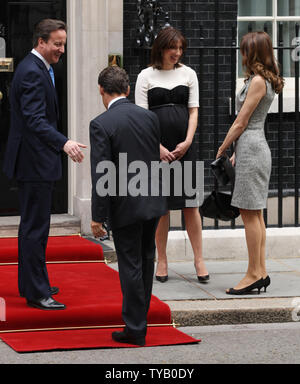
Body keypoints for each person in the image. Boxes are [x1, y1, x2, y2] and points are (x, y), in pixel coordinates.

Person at [3, 19, 87, 310]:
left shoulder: (40, 67)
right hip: (33, 162)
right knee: (35, 228)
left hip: (38, 160)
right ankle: (37, 292)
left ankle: (32, 283)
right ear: (41, 42)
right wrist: (64, 142)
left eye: (63, 43)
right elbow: (34, 119)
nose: (61, 49)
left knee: (35, 226)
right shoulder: (31, 72)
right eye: (57, 43)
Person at [90, 66, 167, 346]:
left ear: (101, 89)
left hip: (125, 205)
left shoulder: (101, 123)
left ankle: (135, 328)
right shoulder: (149, 117)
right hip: (152, 200)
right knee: (147, 260)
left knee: (131, 264)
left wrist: (97, 216)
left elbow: (102, 173)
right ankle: (139, 321)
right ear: (128, 89)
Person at [135, 27, 209, 283]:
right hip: (156, 150)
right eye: (172, 48)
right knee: (161, 207)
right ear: (161, 48)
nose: (177, 53)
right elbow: (141, 117)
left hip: (184, 148)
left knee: (191, 205)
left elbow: (193, 112)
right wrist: (157, 147)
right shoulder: (145, 75)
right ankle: (162, 260)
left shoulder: (189, 74)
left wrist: (188, 141)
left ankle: (199, 259)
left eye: (180, 48)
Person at [216, 31, 284, 295]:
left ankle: (254, 273)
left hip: (253, 147)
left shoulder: (257, 81)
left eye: (245, 50)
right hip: (252, 148)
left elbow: (241, 122)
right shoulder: (261, 80)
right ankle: (261, 270)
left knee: (249, 213)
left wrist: (223, 147)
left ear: (253, 52)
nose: (241, 54)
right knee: (254, 214)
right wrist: (235, 152)